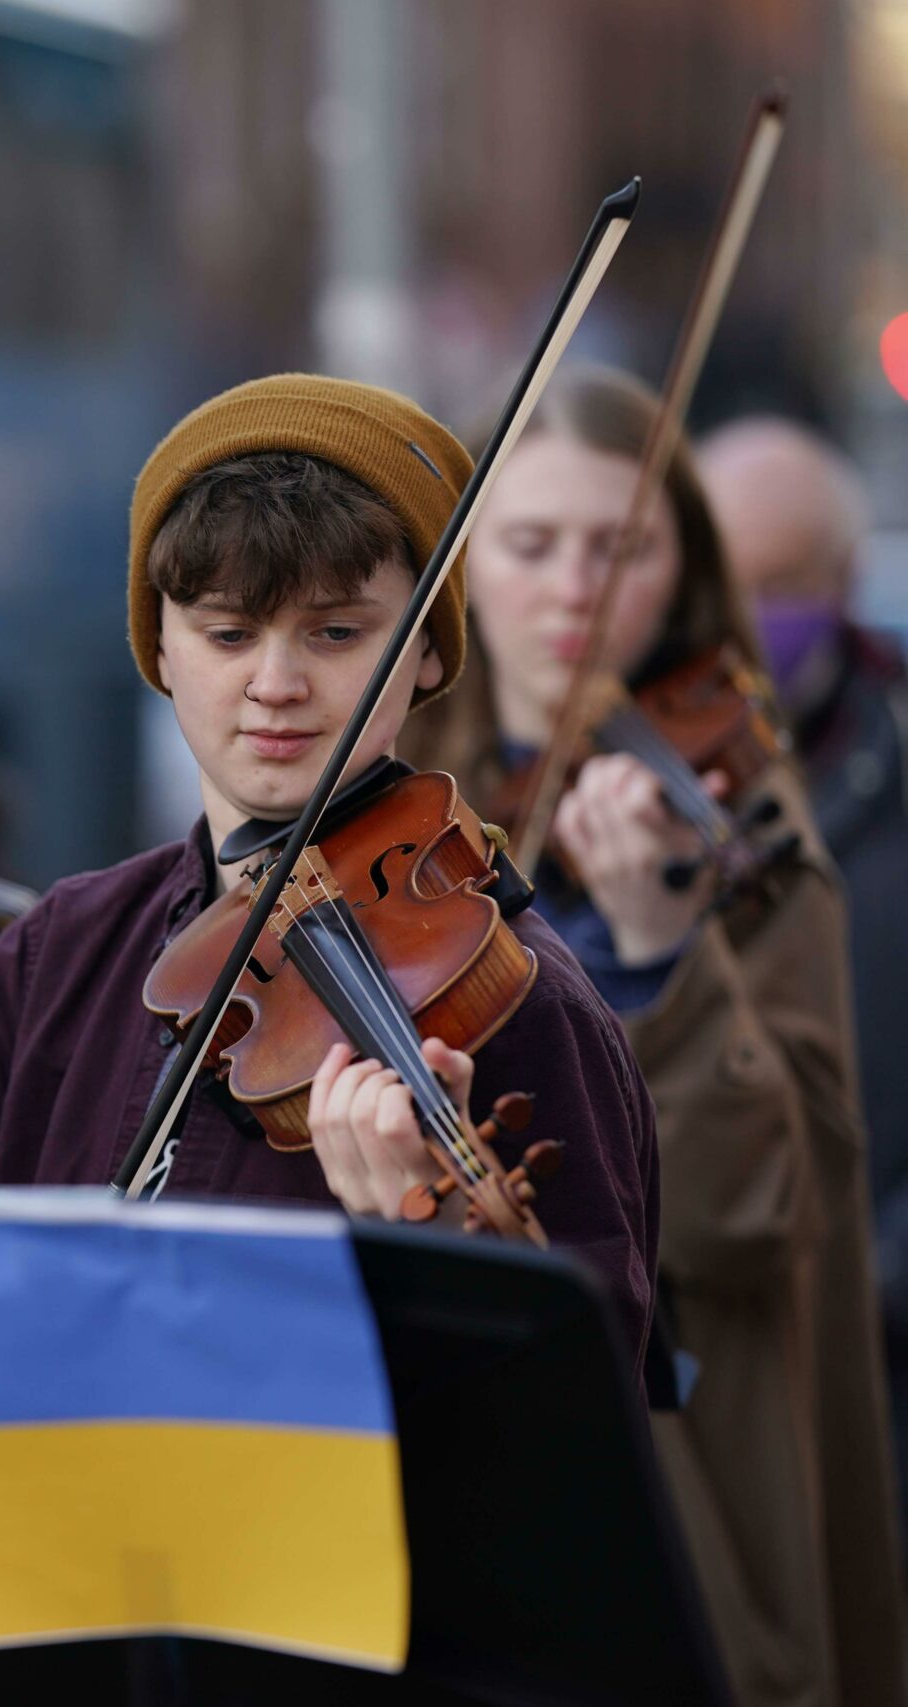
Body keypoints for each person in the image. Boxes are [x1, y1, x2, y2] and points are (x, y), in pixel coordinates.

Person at [0, 374, 663, 1365]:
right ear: (161, 650)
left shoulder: (520, 1001)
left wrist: (427, 1250)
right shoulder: (71, 944)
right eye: (227, 635)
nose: (275, 685)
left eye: (337, 633)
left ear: (427, 652)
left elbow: (578, 1407)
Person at [406, 370, 907, 1707]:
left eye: (621, 545)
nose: (575, 586)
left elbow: (763, 1204)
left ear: (677, 567)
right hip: (434, 1453)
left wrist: (653, 954)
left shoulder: (742, 818)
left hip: (664, 1455)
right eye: (529, 544)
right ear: (458, 568)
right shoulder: (385, 814)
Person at [699, 419, 908, 1567]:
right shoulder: (618, 772)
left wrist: (866, 1280)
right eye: (726, 581)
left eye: (783, 584)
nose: (754, 614)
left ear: (838, 586)